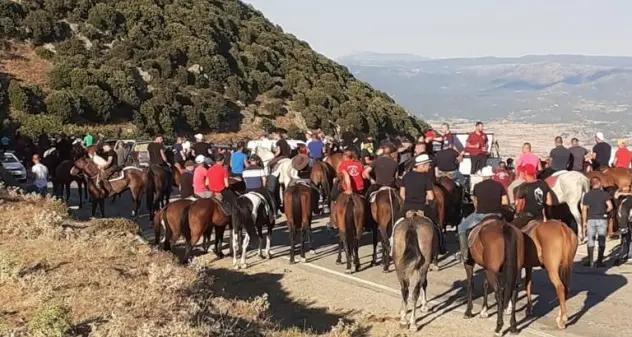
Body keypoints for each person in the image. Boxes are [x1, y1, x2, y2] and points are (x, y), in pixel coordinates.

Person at [457, 166, 508, 261]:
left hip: (480, 215)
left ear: (483, 176)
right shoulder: (499, 185)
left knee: (461, 228)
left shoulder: (477, 186)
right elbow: (505, 202)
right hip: (497, 215)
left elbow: (476, 204)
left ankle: (464, 254)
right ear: (491, 176)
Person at [582, 177, 613, 267]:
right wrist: (604, 212)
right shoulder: (604, 194)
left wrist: (584, 221)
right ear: (599, 183)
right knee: (601, 240)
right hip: (602, 219)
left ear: (591, 184)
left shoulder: (587, 195)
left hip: (591, 219)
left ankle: (590, 261)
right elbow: (610, 207)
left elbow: (584, 209)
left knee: (590, 240)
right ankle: (599, 261)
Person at [397, 154, 436, 224]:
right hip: (422, 208)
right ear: (422, 165)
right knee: (435, 226)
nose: (429, 167)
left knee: (396, 224)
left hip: (407, 208)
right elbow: (431, 197)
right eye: (428, 165)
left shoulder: (406, 176)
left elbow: (402, 194)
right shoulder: (426, 178)